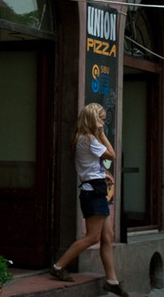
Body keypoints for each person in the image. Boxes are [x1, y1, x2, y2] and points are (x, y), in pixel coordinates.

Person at [50, 103, 128, 297]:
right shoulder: (88, 139)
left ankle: (112, 280)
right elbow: (112, 154)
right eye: (101, 119)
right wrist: (102, 134)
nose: (103, 123)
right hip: (92, 191)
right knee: (93, 237)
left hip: (95, 188)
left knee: (107, 236)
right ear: (94, 120)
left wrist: (103, 175)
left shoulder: (84, 138)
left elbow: (91, 165)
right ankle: (58, 266)